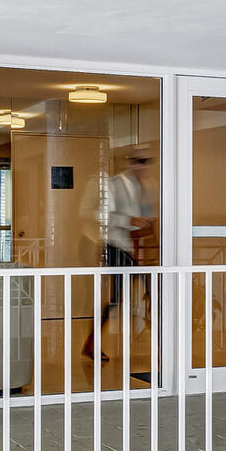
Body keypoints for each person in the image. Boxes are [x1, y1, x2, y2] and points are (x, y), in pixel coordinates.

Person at [85, 151, 155, 360]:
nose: (142, 166)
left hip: (135, 248)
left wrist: (145, 223)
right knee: (114, 299)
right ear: (130, 163)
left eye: (145, 161)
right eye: (138, 161)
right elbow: (97, 213)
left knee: (150, 290)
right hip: (116, 245)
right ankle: (91, 344)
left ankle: (160, 344)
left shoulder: (147, 187)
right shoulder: (115, 184)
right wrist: (129, 220)